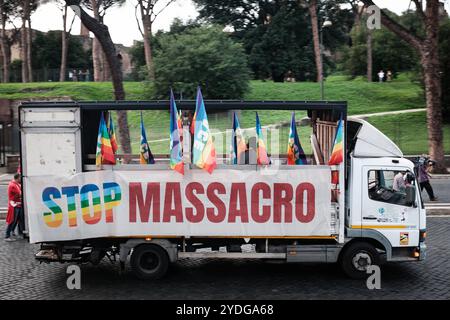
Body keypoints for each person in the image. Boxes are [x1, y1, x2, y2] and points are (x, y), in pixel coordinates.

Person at [4, 173, 23, 241]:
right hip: (14, 205)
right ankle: (7, 235)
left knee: (20, 219)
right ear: (17, 178)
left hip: (18, 205)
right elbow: (20, 193)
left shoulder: (16, 184)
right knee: (12, 220)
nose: (21, 179)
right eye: (20, 178)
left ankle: (19, 233)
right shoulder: (13, 185)